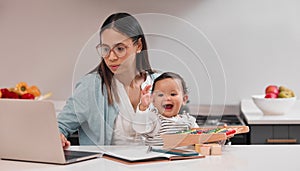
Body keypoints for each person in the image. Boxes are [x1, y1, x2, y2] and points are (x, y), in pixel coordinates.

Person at [57, 12, 160, 149]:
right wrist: (58, 136)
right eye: (105, 49)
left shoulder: (161, 83)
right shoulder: (91, 87)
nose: (111, 57)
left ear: (139, 45)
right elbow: (59, 127)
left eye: (120, 48)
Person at [133, 72, 199, 146]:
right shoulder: (154, 119)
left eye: (173, 94)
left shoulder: (189, 121)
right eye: (160, 95)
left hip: (181, 156)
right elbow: (139, 128)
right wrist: (143, 107)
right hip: (156, 156)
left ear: (184, 99)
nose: (167, 98)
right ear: (153, 100)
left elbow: (198, 137)